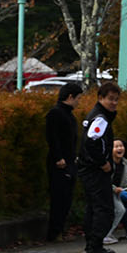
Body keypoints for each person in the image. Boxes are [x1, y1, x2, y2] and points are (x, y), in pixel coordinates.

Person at [78, 82, 121, 253]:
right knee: (103, 208)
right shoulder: (100, 118)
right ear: (100, 98)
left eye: (116, 100)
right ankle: (95, 244)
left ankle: (92, 243)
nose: (114, 103)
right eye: (110, 99)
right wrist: (103, 162)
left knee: (93, 207)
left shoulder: (99, 116)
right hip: (94, 170)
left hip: (88, 168)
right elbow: (91, 142)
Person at [45, 82, 83, 241]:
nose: (79, 101)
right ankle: (54, 232)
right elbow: (52, 137)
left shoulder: (69, 114)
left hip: (70, 160)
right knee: (59, 197)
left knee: (67, 197)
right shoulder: (56, 113)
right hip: (60, 162)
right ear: (70, 97)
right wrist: (58, 157)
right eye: (78, 98)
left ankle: (61, 228)